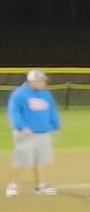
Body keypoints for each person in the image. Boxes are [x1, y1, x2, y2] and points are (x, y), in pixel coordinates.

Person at [7, 69, 61, 198]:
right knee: (22, 161)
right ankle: (12, 186)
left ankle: (40, 186)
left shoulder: (46, 94)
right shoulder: (20, 94)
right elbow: (14, 112)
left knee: (42, 161)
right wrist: (21, 126)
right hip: (25, 133)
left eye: (43, 81)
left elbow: (52, 111)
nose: (43, 83)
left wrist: (56, 126)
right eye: (40, 81)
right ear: (32, 81)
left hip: (43, 132)